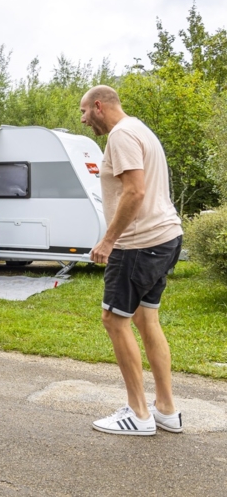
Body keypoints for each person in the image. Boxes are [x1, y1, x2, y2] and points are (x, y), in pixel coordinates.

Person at [80, 85, 184, 435]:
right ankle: (166, 409)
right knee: (145, 319)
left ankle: (139, 414)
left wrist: (109, 241)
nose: (82, 120)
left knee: (113, 320)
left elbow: (135, 191)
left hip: (138, 244)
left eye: (83, 112)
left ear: (98, 106)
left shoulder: (120, 135)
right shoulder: (140, 129)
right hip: (165, 236)